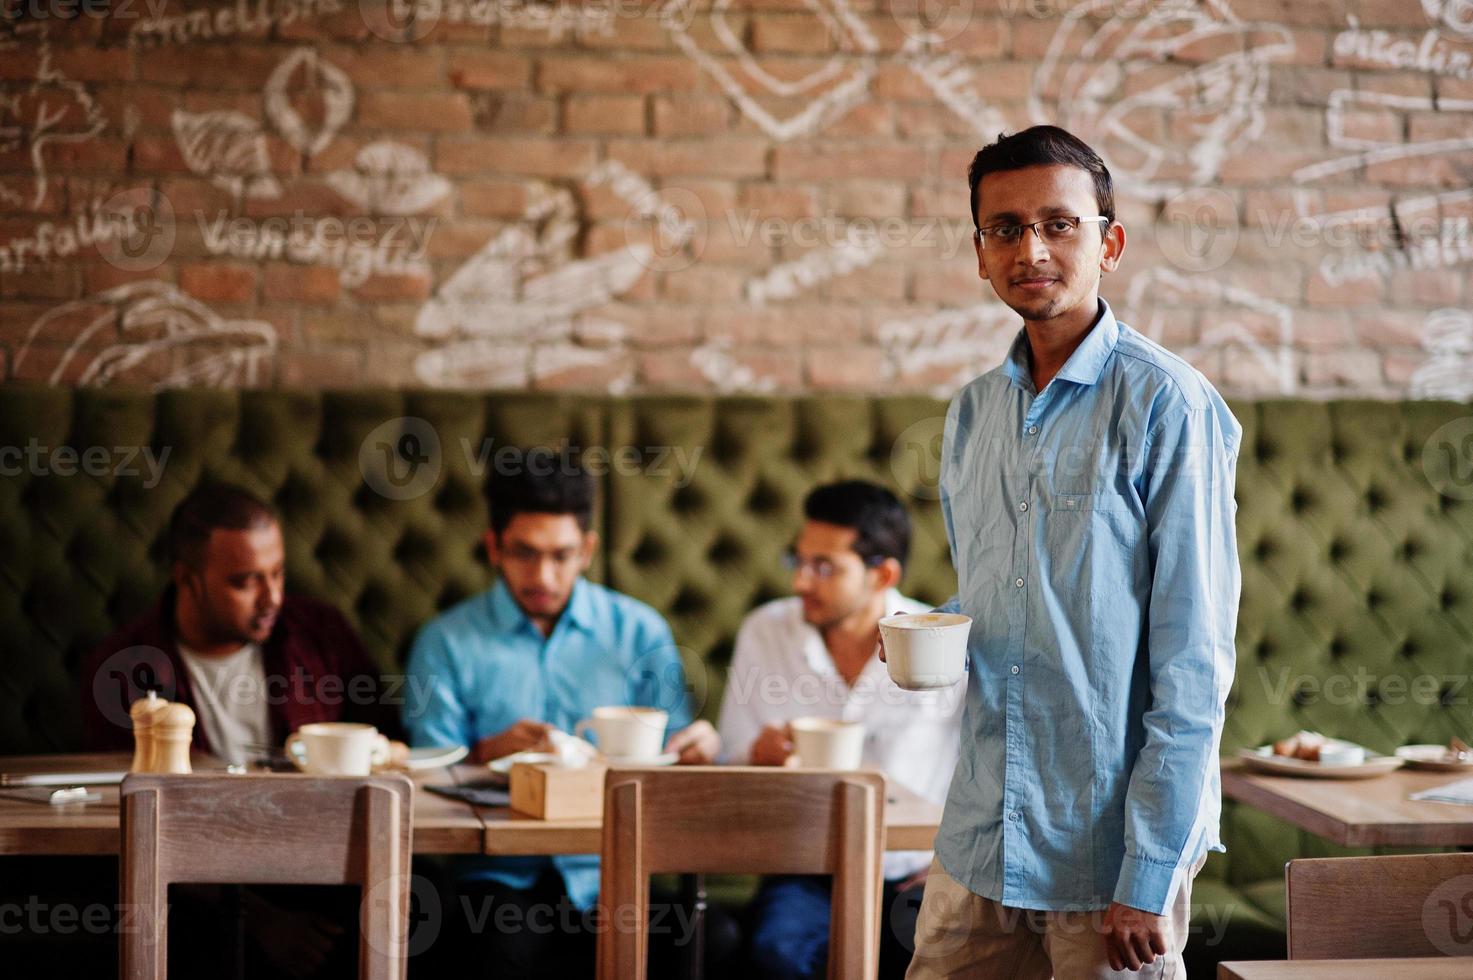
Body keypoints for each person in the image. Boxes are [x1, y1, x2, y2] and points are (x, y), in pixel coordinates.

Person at [895, 126, 1242, 979]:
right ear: (979, 254)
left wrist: (1149, 872)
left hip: (1110, 856)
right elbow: (1005, 596)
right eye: (1004, 228)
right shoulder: (971, 415)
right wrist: (923, 630)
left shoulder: (1169, 405)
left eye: (1059, 223)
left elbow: (1194, 663)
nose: (1031, 247)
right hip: (981, 832)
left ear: (1108, 242)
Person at [404, 450, 722, 978]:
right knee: (498, 947)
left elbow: (671, 761)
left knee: (716, 942)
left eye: (561, 555)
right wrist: (486, 752)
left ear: (588, 550)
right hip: (500, 877)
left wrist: (696, 751)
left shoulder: (640, 633)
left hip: (616, 868)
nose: (543, 576)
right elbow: (427, 780)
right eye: (524, 554)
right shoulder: (445, 642)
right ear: (493, 547)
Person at [81, 482, 400, 980]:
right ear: (187, 579)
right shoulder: (124, 669)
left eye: (278, 574)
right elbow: (125, 828)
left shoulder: (320, 633)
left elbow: (387, 745)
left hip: (325, 866)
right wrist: (260, 921)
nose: (273, 597)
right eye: (245, 582)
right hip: (191, 885)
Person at [718, 480, 963, 979]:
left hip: (915, 876)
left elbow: (991, 770)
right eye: (799, 561)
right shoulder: (766, 632)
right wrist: (756, 755)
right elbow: (728, 763)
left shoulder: (940, 642)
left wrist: (949, 867)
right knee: (776, 955)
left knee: (940, 957)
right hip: (806, 872)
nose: (801, 582)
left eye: (824, 568)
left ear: (882, 575)